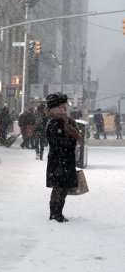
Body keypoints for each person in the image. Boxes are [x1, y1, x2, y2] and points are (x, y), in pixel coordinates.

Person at [45, 92, 81, 223]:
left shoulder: (67, 121)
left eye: (65, 106)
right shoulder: (54, 123)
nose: (65, 108)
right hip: (58, 161)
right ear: (55, 108)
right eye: (62, 106)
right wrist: (71, 142)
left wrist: (71, 138)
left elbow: (75, 136)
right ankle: (55, 214)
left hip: (66, 160)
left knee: (64, 187)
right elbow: (57, 143)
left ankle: (58, 212)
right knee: (59, 187)